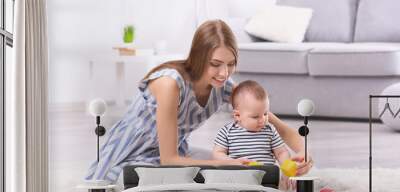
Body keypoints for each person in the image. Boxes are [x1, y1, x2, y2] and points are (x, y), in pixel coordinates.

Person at [85, 20, 313, 182]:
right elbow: (169, 159)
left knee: (234, 169)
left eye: (231, 64)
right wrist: (224, 164)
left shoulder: (223, 86)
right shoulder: (170, 84)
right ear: (198, 57)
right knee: (208, 173)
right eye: (215, 64)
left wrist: (303, 154)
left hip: (172, 153)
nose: (224, 73)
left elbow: (278, 127)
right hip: (130, 154)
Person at [212, 80, 290, 166]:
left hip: (267, 175)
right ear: (237, 115)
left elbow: (281, 152)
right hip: (239, 174)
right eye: (255, 117)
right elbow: (217, 154)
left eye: (265, 114)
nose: (262, 119)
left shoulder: (270, 130)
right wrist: (232, 162)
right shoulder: (226, 132)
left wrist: (287, 168)